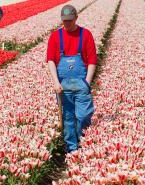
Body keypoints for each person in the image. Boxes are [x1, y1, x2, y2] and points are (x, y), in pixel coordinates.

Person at [46, 4, 97, 153]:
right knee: (68, 118)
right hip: (63, 86)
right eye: (64, 21)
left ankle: (83, 139)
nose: (67, 23)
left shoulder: (85, 35)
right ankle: (72, 149)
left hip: (81, 83)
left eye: (70, 20)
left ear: (76, 18)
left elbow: (92, 60)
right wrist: (56, 82)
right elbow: (51, 61)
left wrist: (87, 82)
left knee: (84, 115)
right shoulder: (55, 36)